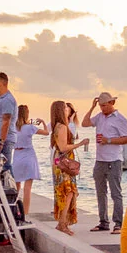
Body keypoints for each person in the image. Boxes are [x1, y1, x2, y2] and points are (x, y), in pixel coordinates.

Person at [85, 92, 127, 233]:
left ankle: (118, 223)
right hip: (100, 160)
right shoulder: (99, 117)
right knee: (100, 192)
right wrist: (92, 107)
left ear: (112, 103)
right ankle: (103, 222)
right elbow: (85, 123)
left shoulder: (120, 119)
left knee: (115, 193)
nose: (102, 108)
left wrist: (108, 140)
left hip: (114, 160)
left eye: (104, 105)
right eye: (100, 105)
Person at [48, 100, 81, 235]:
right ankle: (62, 223)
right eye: (66, 108)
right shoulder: (62, 127)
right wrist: (80, 144)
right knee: (68, 191)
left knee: (65, 191)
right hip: (64, 161)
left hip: (59, 161)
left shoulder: (58, 126)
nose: (68, 110)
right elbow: (63, 148)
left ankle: (64, 222)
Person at [7, 105, 42, 220]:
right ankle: (25, 212)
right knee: (28, 187)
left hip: (17, 155)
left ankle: (14, 209)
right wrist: (42, 122)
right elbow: (46, 132)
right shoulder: (29, 127)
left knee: (16, 186)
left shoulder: (12, 128)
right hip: (29, 155)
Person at [0, 72, 18, 165]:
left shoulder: (7, 100)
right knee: (0, 167)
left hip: (4, 139)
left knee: (6, 167)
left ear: (0, 84)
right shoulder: (3, 99)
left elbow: (6, 121)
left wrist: (2, 141)